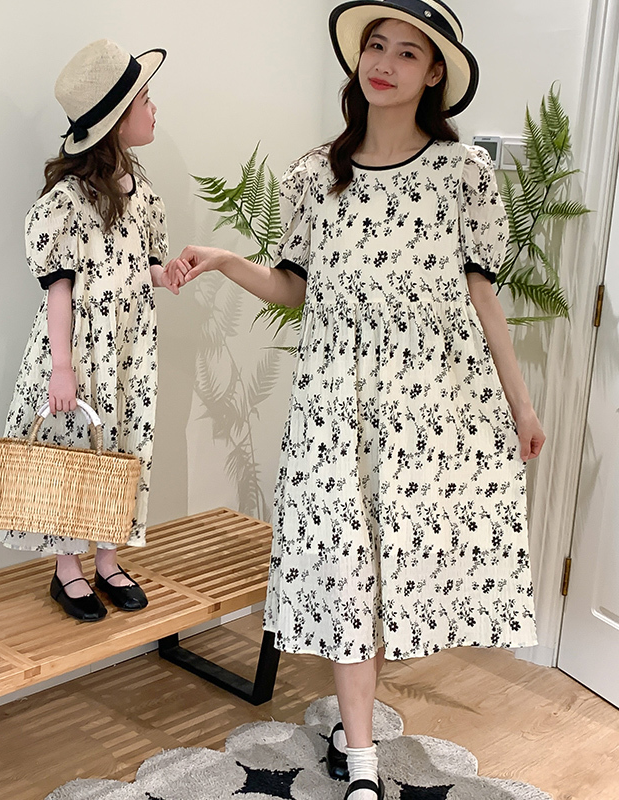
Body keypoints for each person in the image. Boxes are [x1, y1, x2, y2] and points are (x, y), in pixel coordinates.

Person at [166, 2, 544, 797]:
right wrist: (226, 258)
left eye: (409, 53)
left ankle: (355, 723)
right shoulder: (315, 175)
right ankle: (365, 765)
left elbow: (482, 292)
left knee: (391, 568)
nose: (385, 63)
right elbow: (292, 288)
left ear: (434, 73)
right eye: (376, 46)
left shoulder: (463, 173)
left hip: (429, 404)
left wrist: (519, 400)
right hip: (336, 402)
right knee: (344, 565)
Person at [0, 39, 179, 621]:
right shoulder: (67, 202)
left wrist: (164, 274)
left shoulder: (142, 195)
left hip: (128, 349)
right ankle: (66, 568)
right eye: (145, 100)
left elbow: (134, 266)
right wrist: (62, 367)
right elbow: (61, 289)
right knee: (74, 453)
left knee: (121, 450)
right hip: (81, 349)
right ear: (118, 121)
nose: (154, 110)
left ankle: (107, 557)